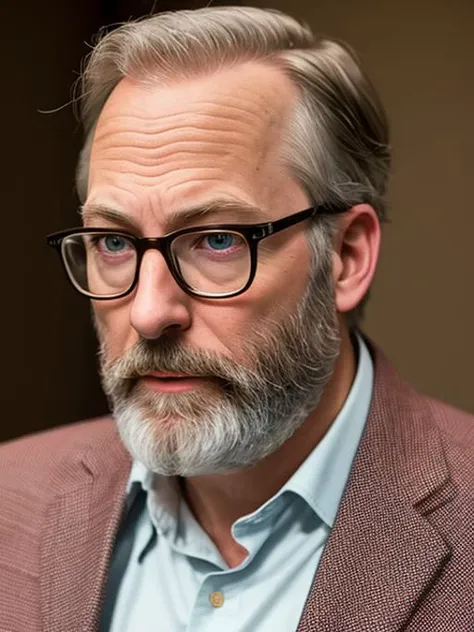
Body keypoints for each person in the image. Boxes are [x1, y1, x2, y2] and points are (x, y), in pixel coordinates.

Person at [1, 6, 474, 631]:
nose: (149, 313)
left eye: (218, 241)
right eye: (113, 243)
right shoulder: (12, 496)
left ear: (346, 256)